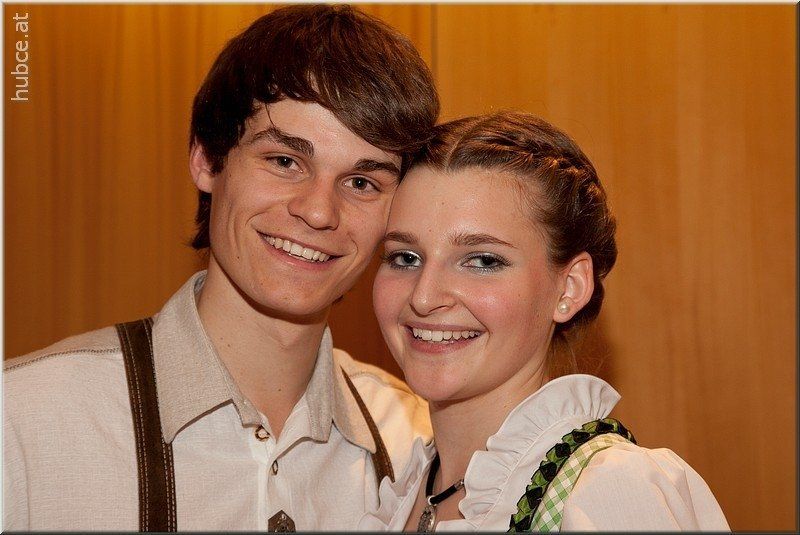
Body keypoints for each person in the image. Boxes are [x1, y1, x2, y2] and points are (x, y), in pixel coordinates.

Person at [3, 5, 439, 531]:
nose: (319, 211)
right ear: (207, 160)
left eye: (362, 182)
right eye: (285, 161)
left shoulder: (418, 443)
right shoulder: (23, 422)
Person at [359, 111, 730, 531]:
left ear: (569, 288)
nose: (424, 297)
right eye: (405, 257)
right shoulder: (399, 493)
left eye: (482, 261)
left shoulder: (607, 490)